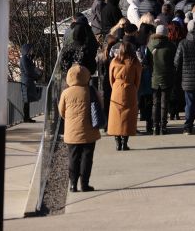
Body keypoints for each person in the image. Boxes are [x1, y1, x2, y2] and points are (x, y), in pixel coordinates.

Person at [57, 64, 101, 192]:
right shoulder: (90, 90)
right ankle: (84, 184)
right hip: (89, 131)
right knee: (87, 157)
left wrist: (70, 120)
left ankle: (72, 184)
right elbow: (100, 106)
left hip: (72, 131)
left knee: (73, 157)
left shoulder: (65, 92)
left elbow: (61, 111)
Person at [108, 40, 142, 151]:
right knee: (128, 116)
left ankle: (117, 142)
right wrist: (134, 88)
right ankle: (125, 143)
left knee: (115, 116)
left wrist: (115, 87)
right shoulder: (135, 61)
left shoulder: (115, 61)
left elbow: (111, 79)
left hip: (117, 88)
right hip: (130, 88)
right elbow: (138, 78)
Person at [148, 24, 175, 135]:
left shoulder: (150, 45)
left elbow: (148, 62)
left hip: (154, 77)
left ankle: (155, 127)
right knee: (164, 103)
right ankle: (163, 127)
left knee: (155, 103)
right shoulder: (171, 46)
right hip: (167, 77)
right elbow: (175, 62)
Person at [19, 43, 41, 123]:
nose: (32, 51)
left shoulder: (27, 58)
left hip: (28, 81)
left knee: (27, 100)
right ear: (27, 50)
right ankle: (26, 118)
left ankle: (27, 117)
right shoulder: (24, 59)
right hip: (26, 81)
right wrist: (36, 76)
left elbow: (31, 69)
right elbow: (28, 71)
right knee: (26, 100)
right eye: (31, 49)